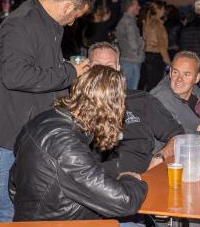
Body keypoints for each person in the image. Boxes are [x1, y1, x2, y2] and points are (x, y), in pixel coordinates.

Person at [0, 0, 94, 222]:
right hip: (12, 137)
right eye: (76, 16)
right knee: (13, 210)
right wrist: (69, 72)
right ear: (68, 6)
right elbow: (16, 76)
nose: (72, 23)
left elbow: (39, 71)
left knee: (32, 211)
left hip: (29, 134)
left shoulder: (44, 24)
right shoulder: (22, 23)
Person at [9, 65, 147, 221]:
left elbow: (14, 183)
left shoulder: (41, 121)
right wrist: (131, 180)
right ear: (111, 108)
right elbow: (124, 202)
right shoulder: (67, 147)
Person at [87, 42, 184, 175]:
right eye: (98, 66)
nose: (105, 73)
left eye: (109, 66)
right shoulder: (79, 105)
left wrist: (159, 158)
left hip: (143, 179)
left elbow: (178, 135)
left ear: (118, 68)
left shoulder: (142, 100)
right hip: (98, 185)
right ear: (87, 69)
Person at [151, 51, 200, 146]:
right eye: (176, 72)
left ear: (197, 78)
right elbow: (178, 137)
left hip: (194, 152)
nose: (179, 79)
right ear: (170, 73)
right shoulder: (160, 98)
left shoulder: (195, 92)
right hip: (165, 157)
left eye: (186, 74)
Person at [115, 0, 145, 90]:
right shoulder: (129, 22)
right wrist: (142, 42)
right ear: (131, 7)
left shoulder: (124, 20)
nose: (139, 7)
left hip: (126, 59)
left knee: (124, 90)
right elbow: (134, 45)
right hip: (132, 61)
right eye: (137, 5)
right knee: (131, 91)